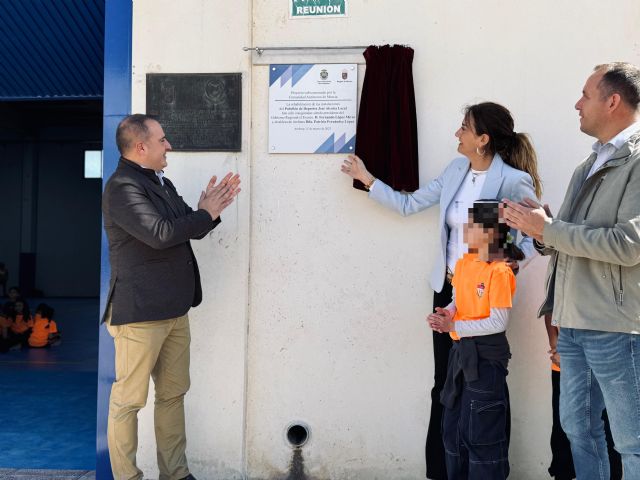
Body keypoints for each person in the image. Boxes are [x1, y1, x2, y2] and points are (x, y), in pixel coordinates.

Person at [341, 101, 542, 479]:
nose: (457, 133)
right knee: (445, 382)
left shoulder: (513, 180)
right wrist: (368, 179)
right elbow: (409, 204)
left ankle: (489, 469)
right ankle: (444, 469)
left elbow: (537, 236)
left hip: (484, 294)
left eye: (464, 128)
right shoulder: (455, 171)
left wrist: (506, 263)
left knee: (485, 385)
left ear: (483, 139)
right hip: (446, 289)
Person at [504, 62, 640, 480]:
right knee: (578, 430)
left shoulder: (636, 161)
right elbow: (565, 239)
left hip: (617, 327)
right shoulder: (589, 164)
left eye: (585, 94)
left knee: (632, 441)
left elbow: (629, 245)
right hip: (573, 321)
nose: (576, 104)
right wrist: (538, 227)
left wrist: (550, 229)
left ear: (613, 101)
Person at [102, 114, 241, 480]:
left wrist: (206, 210)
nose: (169, 146)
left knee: (173, 395)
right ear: (141, 146)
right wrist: (203, 214)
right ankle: (127, 477)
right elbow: (162, 233)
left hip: (175, 310)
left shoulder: (159, 182)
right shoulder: (122, 188)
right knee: (128, 402)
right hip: (140, 313)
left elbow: (189, 226)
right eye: (163, 140)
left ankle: (175, 475)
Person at [427, 200, 516, 480]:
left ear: (490, 232)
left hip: (486, 361)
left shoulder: (499, 270)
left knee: (481, 433)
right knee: (454, 429)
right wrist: (447, 314)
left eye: (471, 226)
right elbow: (457, 300)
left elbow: (498, 322)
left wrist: (454, 325)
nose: (465, 230)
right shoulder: (464, 264)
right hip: (460, 356)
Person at [543, 312, 622, 480]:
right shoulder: (563, 285)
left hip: (605, 365)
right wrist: (557, 346)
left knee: (607, 430)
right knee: (564, 429)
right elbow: (551, 308)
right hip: (564, 365)